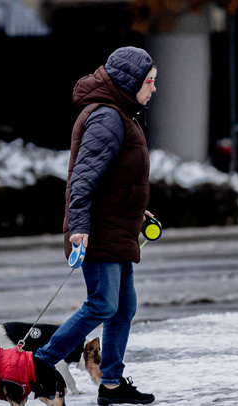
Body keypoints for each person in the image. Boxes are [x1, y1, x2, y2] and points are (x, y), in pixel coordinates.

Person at [34, 46, 158, 406]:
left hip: (116, 228)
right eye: (149, 81)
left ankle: (112, 384)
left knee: (123, 307)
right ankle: (41, 363)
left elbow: (116, 179)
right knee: (103, 303)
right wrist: (79, 227)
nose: (153, 89)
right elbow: (84, 179)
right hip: (98, 232)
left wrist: (140, 211)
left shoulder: (122, 114)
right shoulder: (107, 117)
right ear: (130, 81)